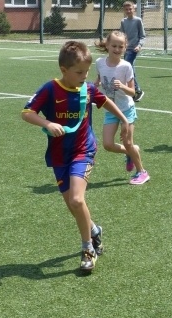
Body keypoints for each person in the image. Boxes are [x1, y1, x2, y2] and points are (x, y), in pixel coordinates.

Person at [21, 40, 129, 272]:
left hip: (84, 151)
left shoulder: (88, 89)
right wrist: (47, 123)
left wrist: (124, 119)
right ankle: (94, 230)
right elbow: (27, 112)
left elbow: (105, 101)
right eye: (79, 72)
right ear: (64, 70)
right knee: (73, 205)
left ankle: (88, 248)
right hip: (59, 155)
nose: (84, 76)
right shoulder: (50, 89)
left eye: (87, 71)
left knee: (77, 200)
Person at [95, 31, 150, 185]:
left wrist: (123, 87)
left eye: (121, 46)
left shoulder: (126, 66)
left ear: (125, 48)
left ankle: (142, 172)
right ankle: (132, 151)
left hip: (126, 109)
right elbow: (100, 79)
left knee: (127, 142)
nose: (117, 49)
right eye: (114, 45)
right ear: (107, 45)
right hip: (110, 109)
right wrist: (94, 85)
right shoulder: (99, 62)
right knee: (107, 144)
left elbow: (133, 92)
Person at [120, 0, 146, 101]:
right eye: (126, 9)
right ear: (124, 10)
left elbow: (142, 36)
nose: (128, 11)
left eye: (130, 9)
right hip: (127, 49)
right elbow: (122, 36)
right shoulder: (123, 21)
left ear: (133, 9)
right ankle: (132, 90)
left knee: (128, 66)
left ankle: (137, 90)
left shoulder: (138, 20)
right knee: (129, 68)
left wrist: (139, 45)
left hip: (134, 49)